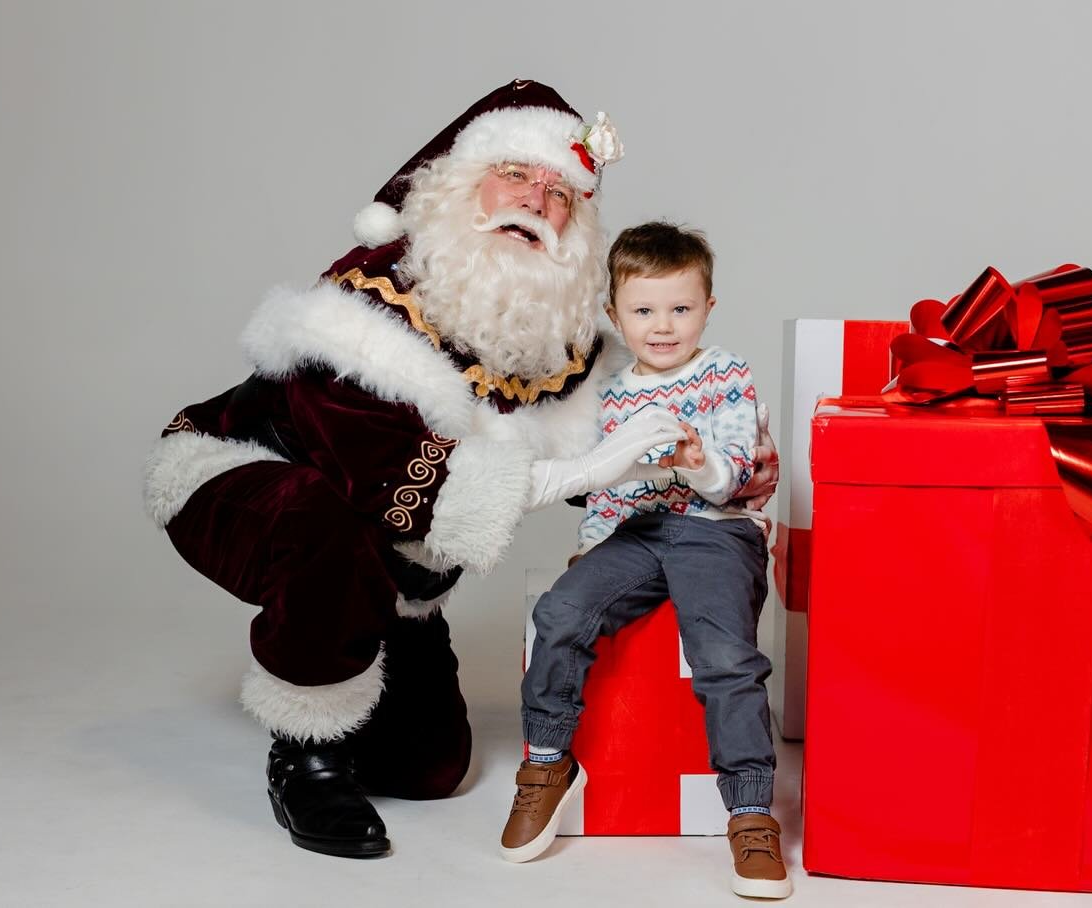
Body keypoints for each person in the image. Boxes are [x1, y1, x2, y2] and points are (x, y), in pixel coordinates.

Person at [141, 81, 778, 859]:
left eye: (559, 193)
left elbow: (642, 410)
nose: (535, 202)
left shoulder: (563, 340)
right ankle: (304, 751)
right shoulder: (364, 299)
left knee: (430, 767)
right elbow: (392, 476)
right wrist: (608, 459)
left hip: (395, 556)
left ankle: (364, 632)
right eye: (516, 174)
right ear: (458, 182)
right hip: (247, 477)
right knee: (320, 519)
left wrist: (722, 460)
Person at [500, 223, 791, 899]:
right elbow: (599, 486)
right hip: (633, 532)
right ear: (616, 315)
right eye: (644, 310)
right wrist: (594, 549)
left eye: (680, 309)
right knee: (560, 612)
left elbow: (730, 480)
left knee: (724, 658)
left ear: (708, 307)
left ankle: (749, 811)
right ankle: (547, 762)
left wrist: (696, 462)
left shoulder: (726, 376)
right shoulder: (607, 391)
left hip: (716, 529)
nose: (663, 326)